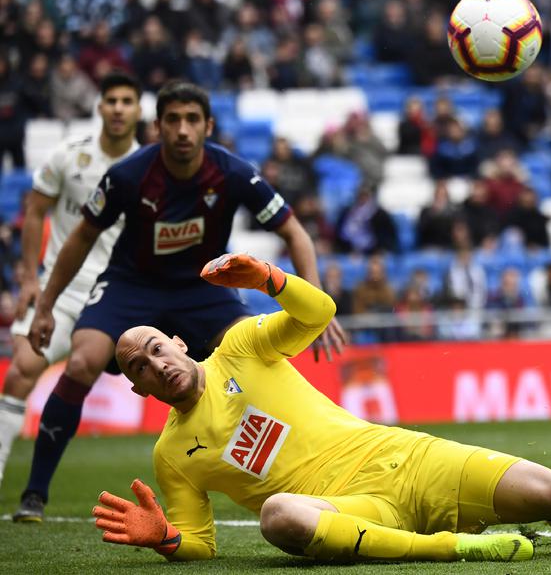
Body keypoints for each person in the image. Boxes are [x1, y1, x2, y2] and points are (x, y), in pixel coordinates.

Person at [92, 254, 551, 563]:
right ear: (139, 390)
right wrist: (167, 539)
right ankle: (456, 547)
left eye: (155, 348)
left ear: (177, 343)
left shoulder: (242, 347)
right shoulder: (172, 454)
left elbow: (321, 314)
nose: (154, 364)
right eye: (137, 368)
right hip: (349, 510)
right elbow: (201, 543)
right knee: (279, 517)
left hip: (404, 456)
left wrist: (270, 280)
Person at [13, 81, 348, 523]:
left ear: (208, 126)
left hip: (201, 290)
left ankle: (313, 471)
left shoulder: (233, 173)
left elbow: (295, 232)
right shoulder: (129, 175)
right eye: (173, 120)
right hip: (131, 284)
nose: (183, 130)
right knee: (80, 362)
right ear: (158, 127)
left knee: (259, 359)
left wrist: (315, 298)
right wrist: (45, 305)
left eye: (193, 120)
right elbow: (81, 238)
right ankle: (34, 494)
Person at [0, 72, 143, 494]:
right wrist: (28, 278)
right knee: (19, 373)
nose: (118, 108)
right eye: (111, 100)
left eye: (126, 101)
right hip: (60, 293)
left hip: (117, 296)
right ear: (99, 106)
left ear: (137, 110)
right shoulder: (67, 155)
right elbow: (34, 211)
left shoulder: (148, 168)